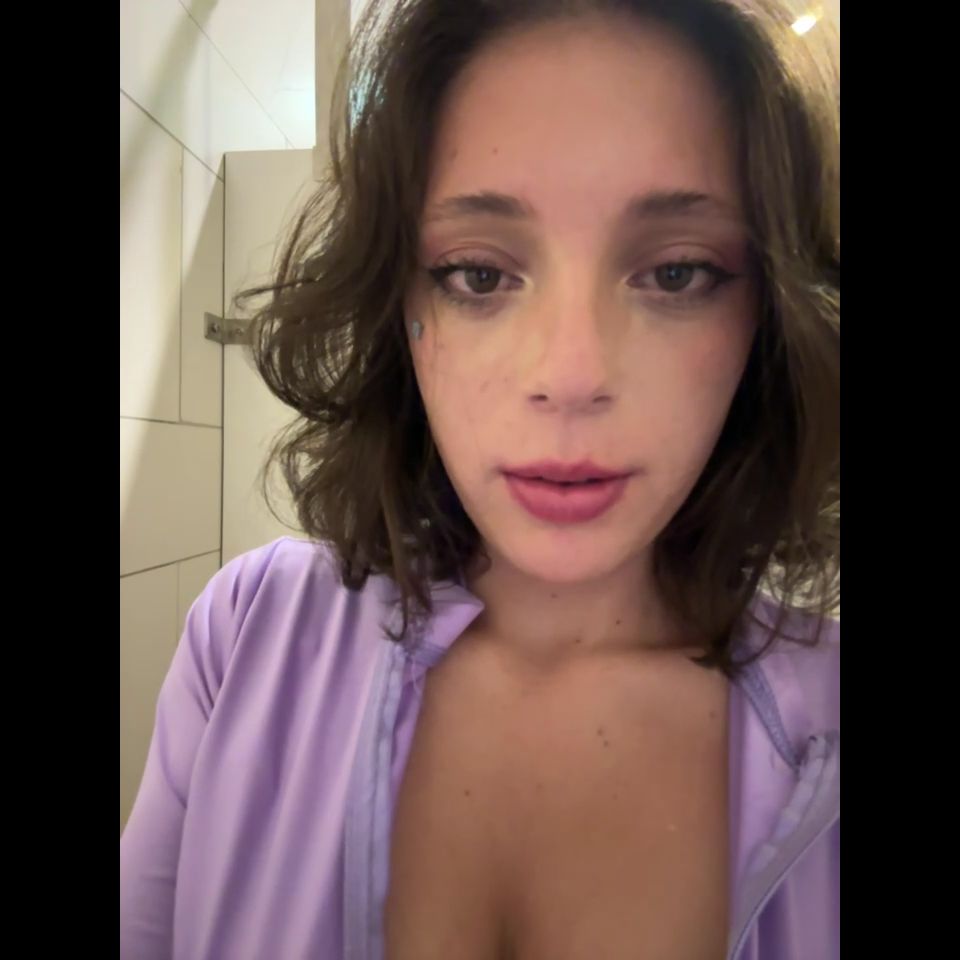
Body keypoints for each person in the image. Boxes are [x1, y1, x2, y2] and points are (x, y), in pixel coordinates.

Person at [120, 1, 840, 957]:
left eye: (675, 274)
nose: (572, 376)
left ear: (768, 319)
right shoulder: (248, 636)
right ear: (400, 307)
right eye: (478, 275)